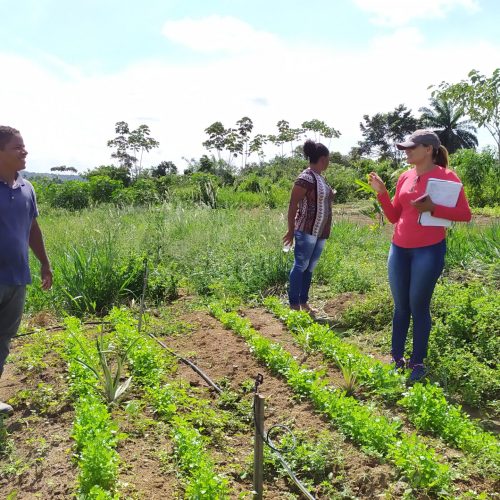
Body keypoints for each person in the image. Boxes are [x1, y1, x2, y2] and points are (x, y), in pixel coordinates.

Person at [369, 129, 471, 382]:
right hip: (399, 249)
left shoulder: (447, 177)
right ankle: (396, 358)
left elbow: (465, 214)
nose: (406, 151)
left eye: (411, 148)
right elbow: (394, 217)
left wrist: (433, 208)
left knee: (418, 306)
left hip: (429, 250)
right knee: (401, 307)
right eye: (405, 148)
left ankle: (418, 362)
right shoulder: (405, 177)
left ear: (429, 150)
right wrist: (382, 193)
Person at [0, 126, 52, 415]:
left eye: (24, 146)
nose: (24, 152)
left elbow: (32, 228)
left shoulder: (27, 188)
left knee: (3, 340)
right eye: (17, 147)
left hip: (17, 278)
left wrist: (44, 263)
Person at [283, 139, 335, 312]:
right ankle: (294, 305)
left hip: (320, 232)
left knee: (309, 267)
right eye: (328, 158)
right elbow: (292, 204)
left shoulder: (320, 178)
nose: (329, 162)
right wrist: (291, 230)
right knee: (300, 266)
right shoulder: (305, 178)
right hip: (306, 230)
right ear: (322, 159)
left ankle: (303, 302)